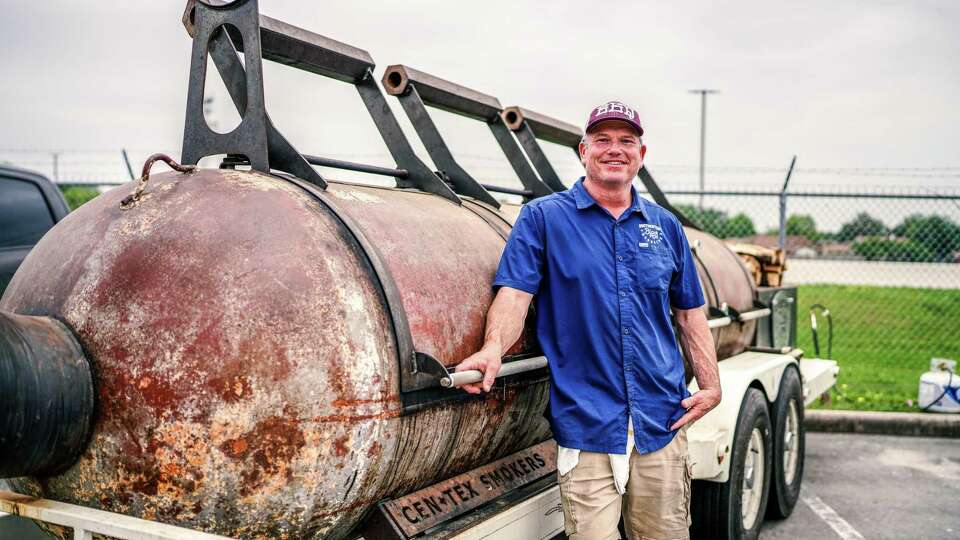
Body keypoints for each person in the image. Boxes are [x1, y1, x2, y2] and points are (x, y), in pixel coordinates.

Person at [454, 101, 721, 540]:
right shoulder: (543, 218)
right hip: (587, 423)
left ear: (641, 154)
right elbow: (515, 294)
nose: (614, 149)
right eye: (602, 140)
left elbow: (690, 313)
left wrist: (710, 385)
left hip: (662, 421)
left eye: (625, 141)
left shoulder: (665, 226)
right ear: (584, 150)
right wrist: (492, 349)